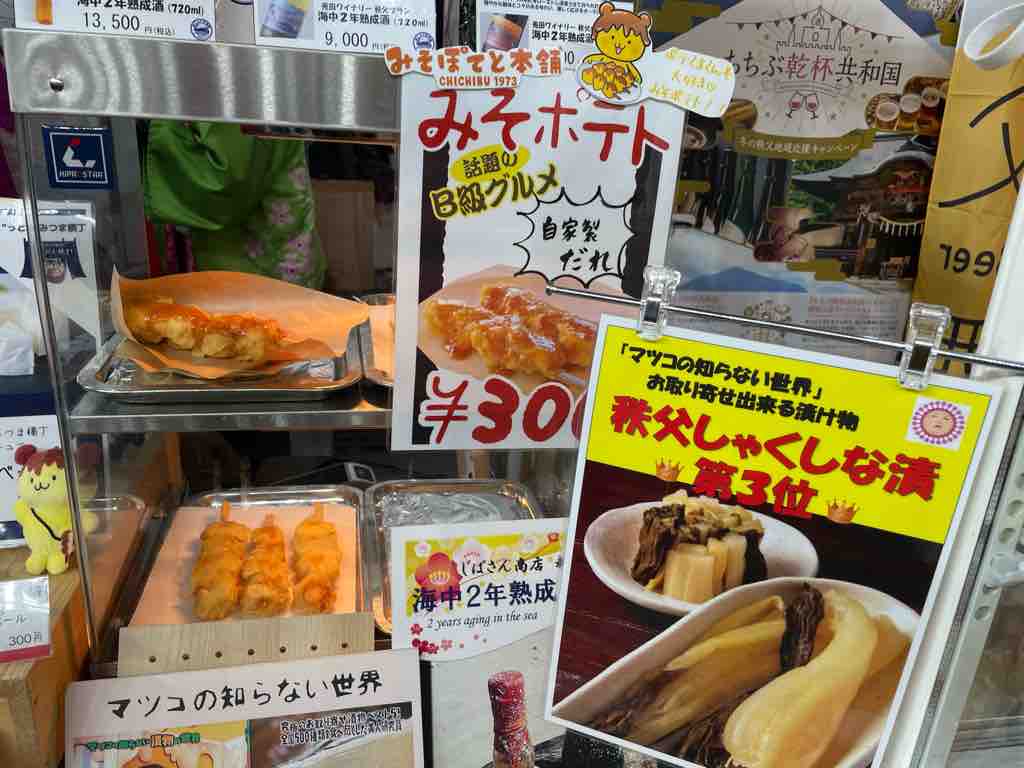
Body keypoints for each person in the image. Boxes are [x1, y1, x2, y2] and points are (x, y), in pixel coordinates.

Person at [143, 121, 325, 288]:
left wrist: (157, 124)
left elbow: (222, 186)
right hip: (263, 267)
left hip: (256, 278)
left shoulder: (237, 100)